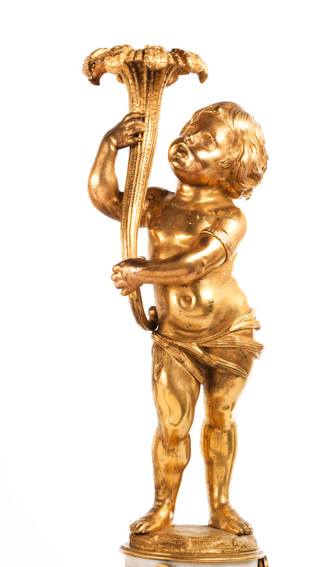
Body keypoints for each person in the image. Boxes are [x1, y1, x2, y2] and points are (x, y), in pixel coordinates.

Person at [88, 102, 268, 535]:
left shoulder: (230, 217)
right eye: (188, 130)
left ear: (231, 166)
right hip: (174, 337)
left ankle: (221, 505)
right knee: (172, 425)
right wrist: (110, 145)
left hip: (228, 334)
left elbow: (195, 264)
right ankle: (163, 506)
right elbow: (108, 200)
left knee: (220, 416)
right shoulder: (157, 204)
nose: (186, 141)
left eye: (205, 141)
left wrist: (142, 273)